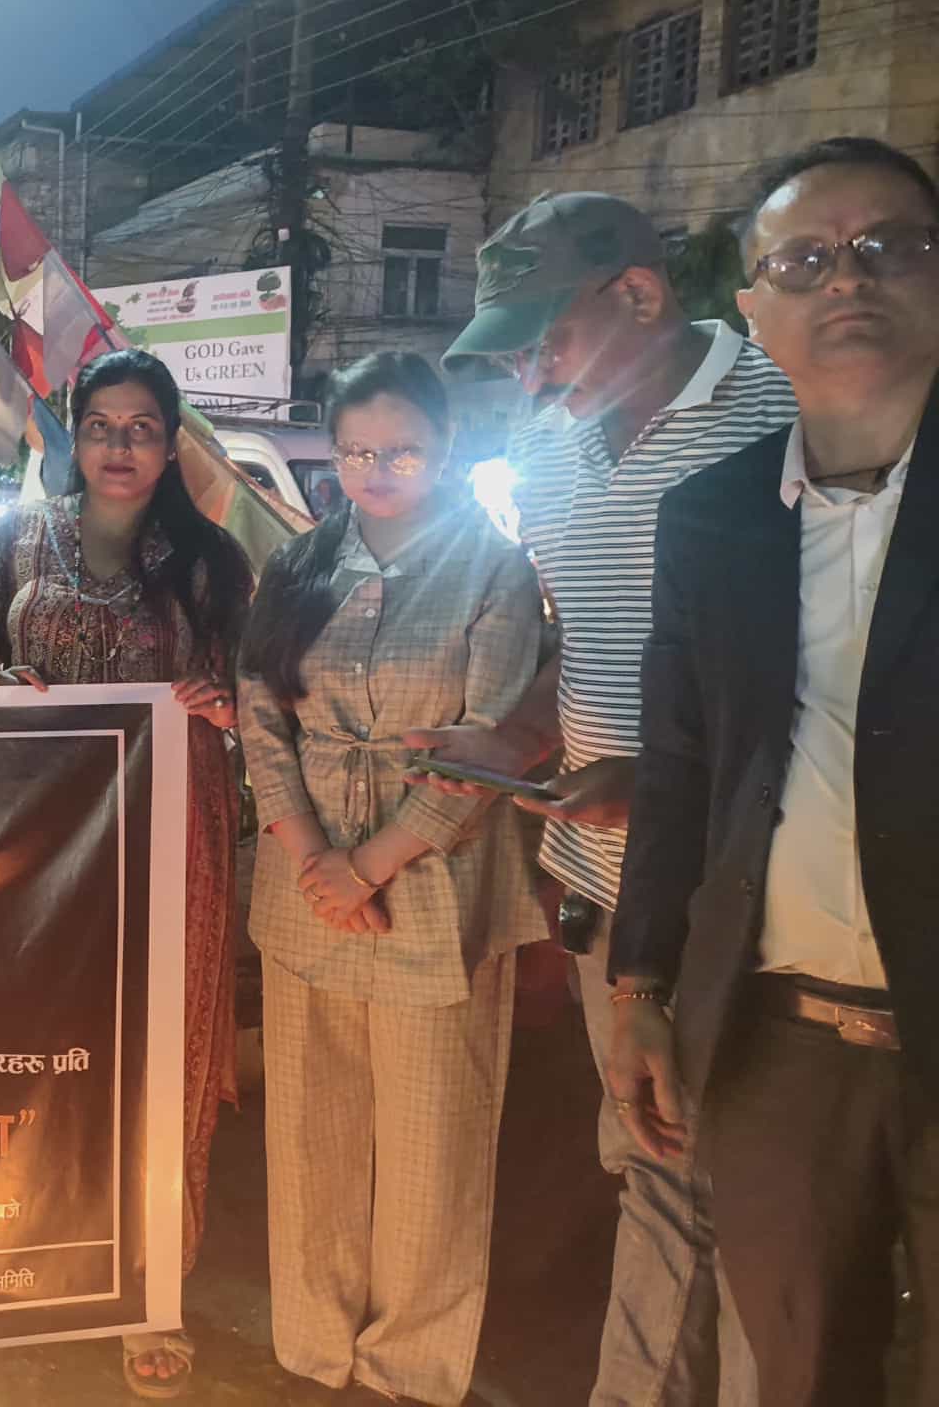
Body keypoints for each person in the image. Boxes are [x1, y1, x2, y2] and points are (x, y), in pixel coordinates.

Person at [418, 191, 792, 1407]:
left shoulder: (784, 413)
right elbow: (580, 644)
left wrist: (668, 780)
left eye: (545, 340)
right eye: (509, 354)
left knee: (754, 1205)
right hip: (602, 898)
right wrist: (508, 737)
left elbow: (842, 673)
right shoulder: (540, 454)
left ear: (637, 295)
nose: (526, 375)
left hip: (753, 895)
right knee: (652, 1167)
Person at [608, 138, 939, 1406]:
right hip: (779, 1045)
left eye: (886, 248)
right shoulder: (710, 519)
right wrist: (641, 983)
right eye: (802, 260)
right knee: (800, 1372)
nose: (844, 279)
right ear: (752, 308)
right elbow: (677, 765)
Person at [238, 352, 544, 1406]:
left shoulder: (491, 568)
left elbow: (491, 738)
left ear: (446, 447)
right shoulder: (298, 563)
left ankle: (410, 1362)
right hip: (303, 880)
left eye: (402, 451)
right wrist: (312, 858)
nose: (375, 471)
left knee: (432, 1140)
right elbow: (260, 719)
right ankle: (314, 1341)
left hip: (433, 883)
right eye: (356, 451)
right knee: (310, 1131)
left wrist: (367, 864)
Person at [0, 349, 248, 1400]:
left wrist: (224, 703)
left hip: (172, 833)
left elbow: (263, 694)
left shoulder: (210, 561)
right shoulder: (16, 539)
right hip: (42, 833)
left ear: (170, 445)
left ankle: (153, 1283)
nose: (119, 446)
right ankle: (45, 1255)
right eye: (99, 426)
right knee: (43, 1043)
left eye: (141, 428)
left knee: (161, 1051)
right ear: (71, 437)